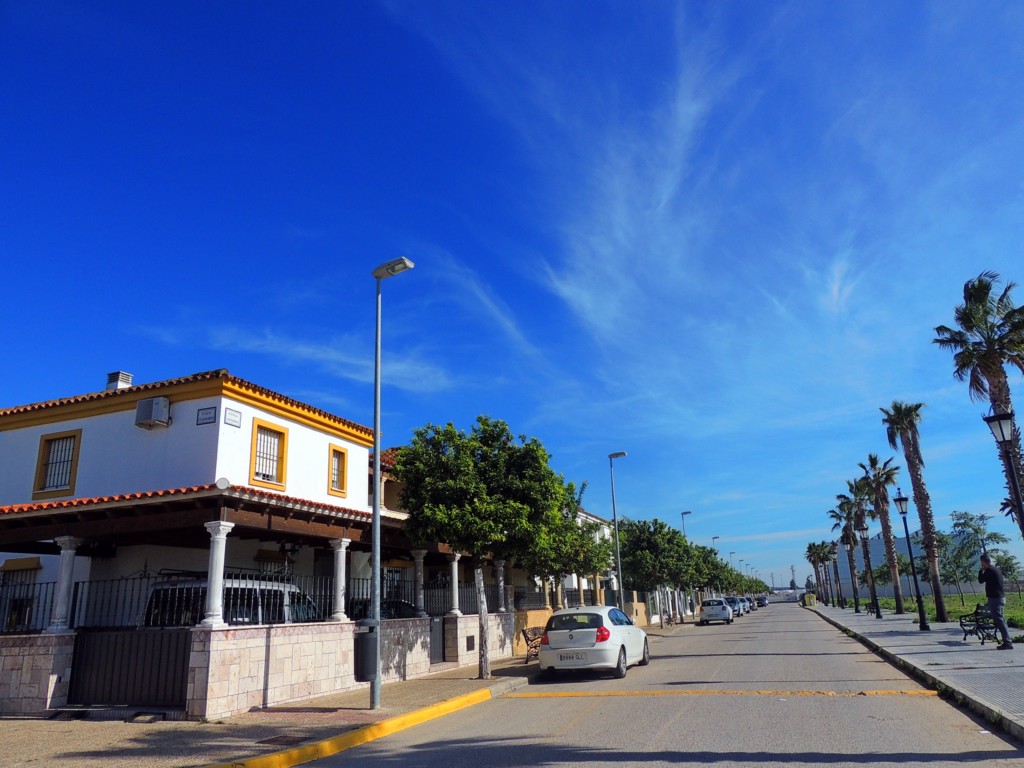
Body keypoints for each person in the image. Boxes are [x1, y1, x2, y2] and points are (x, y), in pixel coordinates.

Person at [978, 553, 1014, 650]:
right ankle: (1007, 640)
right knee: (1001, 620)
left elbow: (981, 580)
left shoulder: (989, 571)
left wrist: (981, 571)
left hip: (995, 599)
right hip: (1000, 598)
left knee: (999, 620)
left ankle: (1007, 642)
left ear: (983, 562)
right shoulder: (996, 569)